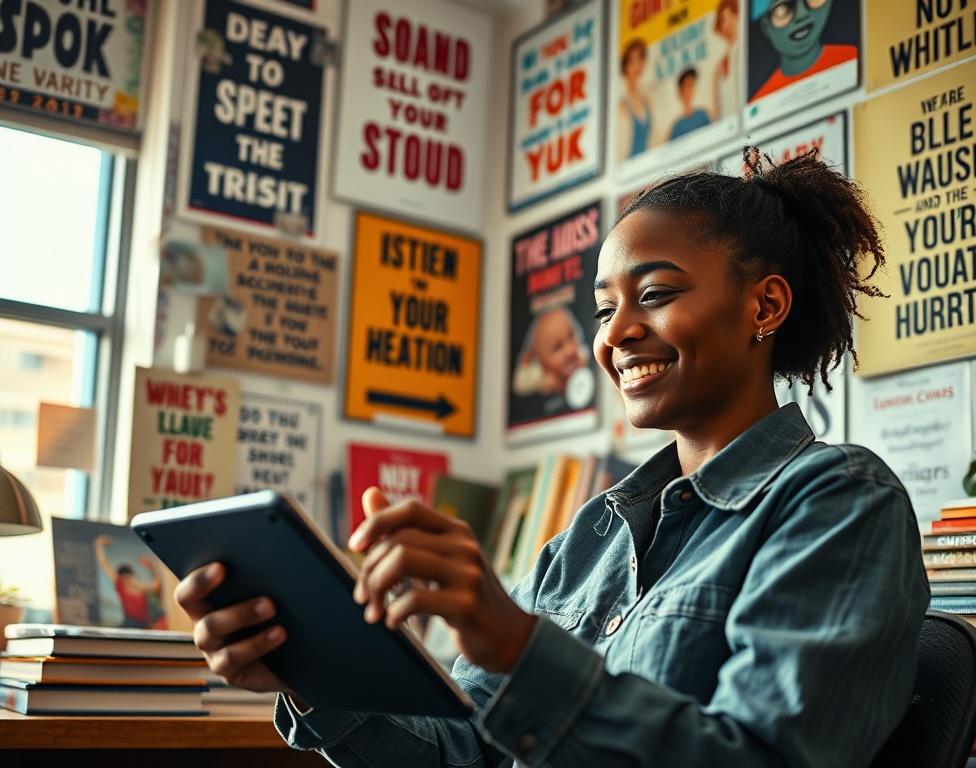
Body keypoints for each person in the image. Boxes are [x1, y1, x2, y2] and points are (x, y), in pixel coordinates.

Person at [175, 152, 929, 768]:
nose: (617, 334)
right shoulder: (588, 540)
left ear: (763, 307)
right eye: (604, 310)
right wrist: (313, 671)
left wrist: (516, 643)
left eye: (656, 294)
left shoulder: (841, 503)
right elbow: (461, 750)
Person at [750, 0, 857, 102]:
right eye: (782, 9)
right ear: (765, 26)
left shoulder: (859, 61)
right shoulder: (762, 99)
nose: (802, 15)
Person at [512, 308, 588, 398]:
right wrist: (542, 382)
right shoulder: (540, 379)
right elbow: (519, 383)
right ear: (542, 364)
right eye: (557, 348)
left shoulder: (582, 357)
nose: (570, 351)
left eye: (571, 336)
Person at [95, 535, 167, 630]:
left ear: (132, 576)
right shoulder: (121, 585)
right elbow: (104, 563)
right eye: (125, 579)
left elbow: (157, 585)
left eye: (129, 578)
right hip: (130, 623)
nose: (128, 581)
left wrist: (152, 566)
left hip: (144, 626)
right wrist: (99, 546)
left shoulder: (141, 588)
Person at [618, 39, 652, 160]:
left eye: (640, 59)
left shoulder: (647, 100)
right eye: (632, 61)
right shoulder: (621, 105)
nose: (637, 65)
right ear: (625, 66)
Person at [667, 69, 711, 141]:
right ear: (680, 91)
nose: (690, 90)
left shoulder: (702, 115)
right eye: (688, 86)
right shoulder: (677, 126)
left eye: (692, 85)